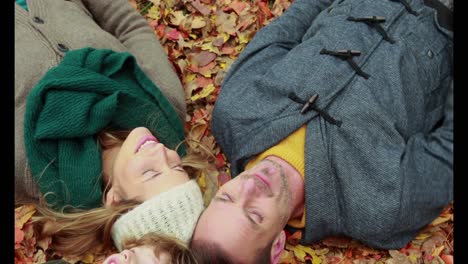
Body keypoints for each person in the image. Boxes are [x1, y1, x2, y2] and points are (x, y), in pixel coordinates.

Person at [192, 0, 453, 263]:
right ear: (276, 246)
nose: (249, 187)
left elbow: (289, 27)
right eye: (254, 215)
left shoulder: (235, 112)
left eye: (226, 198)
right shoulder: (380, 210)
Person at [15, 0, 214, 258]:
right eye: (176, 167)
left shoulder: (32, 166)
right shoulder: (161, 104)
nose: (162, 153)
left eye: (151, 173)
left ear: (115, 199)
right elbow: (130, 27)